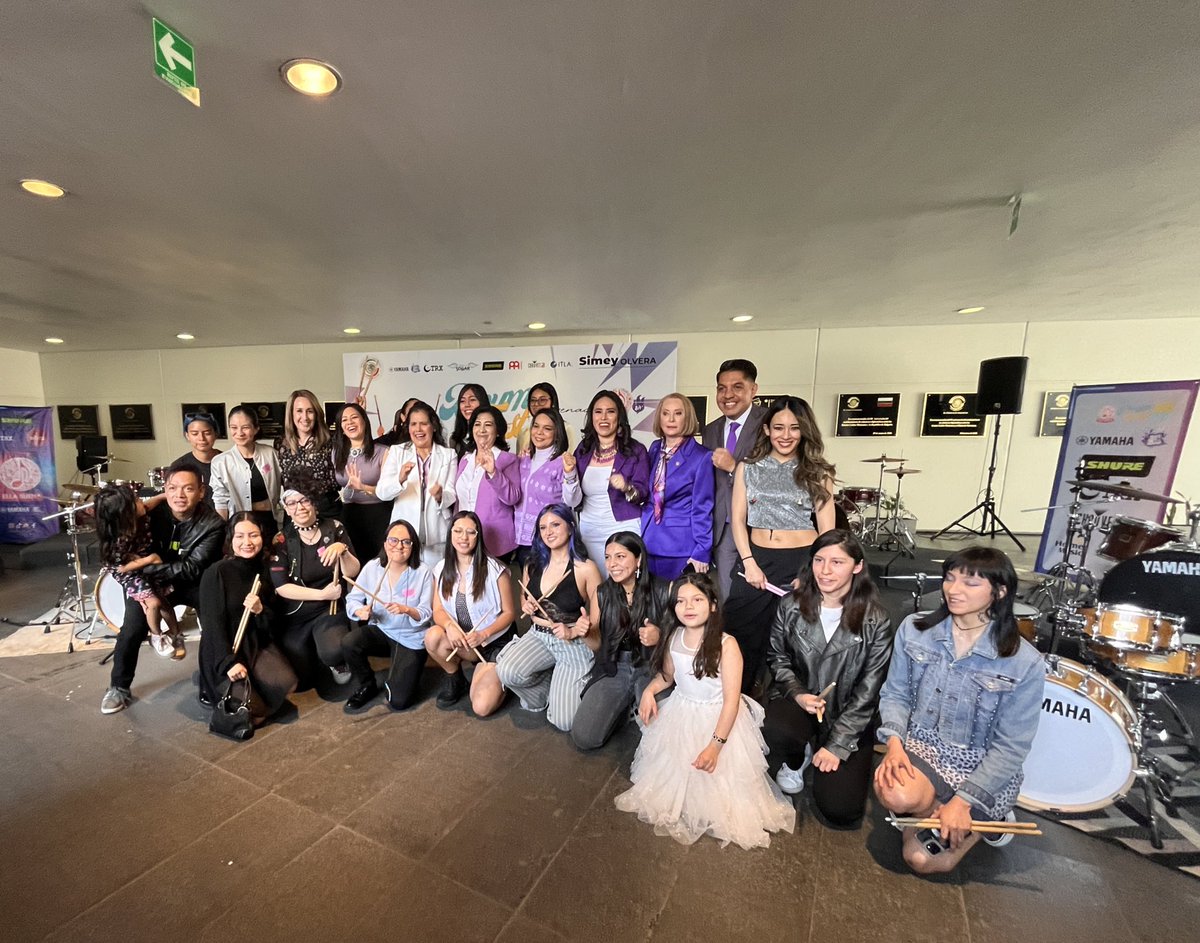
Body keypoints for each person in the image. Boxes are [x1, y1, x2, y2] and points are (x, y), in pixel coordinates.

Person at [873, 547, 1046, 875]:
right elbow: (895, 694)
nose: (953, 590)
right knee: (894, 793)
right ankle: (931, 812)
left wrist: (962, 801)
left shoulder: (1024, 662)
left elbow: (1011, 748)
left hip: (978, 767)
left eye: (970, 584)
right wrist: (894, 744)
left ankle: (979, 819)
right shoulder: (915, 629)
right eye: (950, 579)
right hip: (924, 749)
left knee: (923, 861)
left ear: (999, 591)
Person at [613, 572, 796, 849]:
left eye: (697, 599)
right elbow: (667, 676)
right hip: (682, 710)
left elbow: (732, 701)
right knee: (672, 777)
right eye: (681, 601)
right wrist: (650, 691)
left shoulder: (726, 645)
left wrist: (715, 745)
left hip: (717, 717)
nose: (688, 607)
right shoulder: (674, 637)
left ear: (712, 605)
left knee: (720, 794)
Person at [763, 529, 894, 829]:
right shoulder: (791, 605)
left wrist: (839, 744)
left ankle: (824, 746)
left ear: (857, 566)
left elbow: (869, 690)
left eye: (837, 562)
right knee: (776, 728)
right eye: (819, 560)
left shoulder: (876, 619)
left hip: (846, 716)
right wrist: (797, 693)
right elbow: (777, 658)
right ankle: (798, 757)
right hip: (800, 704)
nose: (825, 570)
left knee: (841, 811)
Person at [725, 395, 836, 694]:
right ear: (766, 430)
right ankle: (738, 702)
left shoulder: (818, 472)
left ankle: (789, 709)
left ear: (804, 431)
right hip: (756, 559)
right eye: (778, 427)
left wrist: (812, 574)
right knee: (738, 633)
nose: (786, 435)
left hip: (801, 561)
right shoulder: (748, 467)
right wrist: (749, 563)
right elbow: (737, 520)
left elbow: (828, 534)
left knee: (796, 641)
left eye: (794, 428)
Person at [100, 465, 225, 715]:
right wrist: (138, 572)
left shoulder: (212, 524)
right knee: (132, 627)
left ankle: (214, 679)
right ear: (164, 490)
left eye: (188, 489)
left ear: (201, 492)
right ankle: (119, 687)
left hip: (191, 581)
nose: (179, 495)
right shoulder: (149, 514)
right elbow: (117, 539)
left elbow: (191, 568)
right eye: (172, 488)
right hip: (149, 581)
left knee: (215, 623)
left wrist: (144, 568)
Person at [472, 504, 602, 730]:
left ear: (570, 527)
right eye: (543, 528)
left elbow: (598, 622)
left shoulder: (586, 568)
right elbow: (524, 597)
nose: (548, 532)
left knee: (564, 722)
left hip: (571, 643)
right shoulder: (533, 563)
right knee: (507, 671)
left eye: (555, 525)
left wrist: (577, 629)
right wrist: (527, 605)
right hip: (538, 635)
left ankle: (569, 683)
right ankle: (547, 689)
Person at [572, 531, 671, 751]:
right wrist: (587, 633)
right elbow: (598, 645)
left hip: (651, 667)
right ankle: (626, 706)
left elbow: (684, 643)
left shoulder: (664, 589)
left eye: (620, 556)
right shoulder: (602, 593)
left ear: (638, 560)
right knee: (585, 737)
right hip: (615, 666)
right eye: (607, 557)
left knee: (664, 739)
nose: (612, 564)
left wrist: (660, 637)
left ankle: (635, 701)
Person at [197, 513, 298, 724]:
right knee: (255, 713)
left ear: (262, 536)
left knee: (287, 683)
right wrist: (228, 663)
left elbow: (273, 622)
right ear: (230, 539)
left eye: (253, 535)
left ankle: (253, 685)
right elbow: (212, 626)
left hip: (253, 643)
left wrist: (261, 610)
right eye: (239, 536)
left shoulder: (264, 569)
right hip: (224, 650)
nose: (247, 543)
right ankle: (210, 683)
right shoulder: (216, 572)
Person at [269, 486, 361, 691]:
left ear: (314, 503)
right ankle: (312, 655)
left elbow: (353, 572)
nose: (300, 507)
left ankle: (336, 662)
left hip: (329, 607)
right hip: (297, 610)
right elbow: (282, 586)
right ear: (286, 508)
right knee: (301, 679)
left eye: (305, 500)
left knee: (333, 652)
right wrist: (321, 594)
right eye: (292, 503)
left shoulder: (334, 528)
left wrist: (343, 550)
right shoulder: (281, 540)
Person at [424, 511, 518, 709]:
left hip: (493, 642)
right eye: (457, 531)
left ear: (478, 536)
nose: (463, 537)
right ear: (450, 534)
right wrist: (449, 626)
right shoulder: (441, 569)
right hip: (467, 642)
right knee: (433, 637)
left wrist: (484, 633)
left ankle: (504, 674)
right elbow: (438, 609)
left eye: (470, 532)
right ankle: (455, 679)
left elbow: (510, 613)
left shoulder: (495, 570)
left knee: (481, 707)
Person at [341, 519, 435, 713]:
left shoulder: (423, 572)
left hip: (411, 637)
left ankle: (405, 674)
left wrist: (407, 609)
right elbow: (353, 599)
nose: (399, 546)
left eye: (406, 542)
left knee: (398, 702)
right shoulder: (373, 567)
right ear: (385, 543)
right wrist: (360, 611)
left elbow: (427, 613)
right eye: (393, 540)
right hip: (382, 630)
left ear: (413, 546)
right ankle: (366, 684)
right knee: (349, 642)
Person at [701, 359, 767, 602]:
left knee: (764, 595)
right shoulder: (710, 430)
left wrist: (734, 467)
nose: (728, 395)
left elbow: (778, 477)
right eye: (721, 388)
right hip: (722, 528)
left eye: (737, 387)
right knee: (728, 597)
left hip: (760, 525)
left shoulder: (770, 425)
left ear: (753, 389)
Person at [93, 484, 180, 658]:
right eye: (137, 500)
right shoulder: (118, 539)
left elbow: (151, 503)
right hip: (129, 573)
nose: (142, 501)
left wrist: (166, 496)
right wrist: (149, 559)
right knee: (153, 603)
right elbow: (122, 567)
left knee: (165, 602)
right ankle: (156, 637)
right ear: (125, 514)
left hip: (140, 564)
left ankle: (176, 634)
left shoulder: (141, 513)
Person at [573, 390, 650, 576]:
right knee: (595, 584)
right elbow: (572, 492)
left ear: (619, 417)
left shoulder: (635, 450)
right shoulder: (583, 450)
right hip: (589, 529)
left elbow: (643, 492)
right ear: (591, 417)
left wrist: (626, 487)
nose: (604, 417)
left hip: (623, 527)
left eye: (610, 411)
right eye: (598, 411)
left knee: (625, 582)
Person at [640, 393, 715, 580]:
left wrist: (702, 550)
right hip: (649, 538)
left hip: (680, 545)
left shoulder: (701, 456)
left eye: (678, 413)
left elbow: (703, 507)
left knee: (676, 604)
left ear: (687, 417)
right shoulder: (654, 448)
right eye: (665, 413)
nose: (671, 419)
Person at [375, 400, 457, 567]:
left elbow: (452, 494)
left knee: (434, 586)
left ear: (433, 426)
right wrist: (400, 479)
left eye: (423, 424)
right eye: (413, 424)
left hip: (436, 536)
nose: (418, 429)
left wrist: (441, 496)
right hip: (403, 537)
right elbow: (381, 492)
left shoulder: (449, 455)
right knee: (404, 587)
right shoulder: (398, 452)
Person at [454, 404, 521, 560]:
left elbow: (513, 498)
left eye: (488, 425)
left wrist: (493, 472)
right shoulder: (465, 460)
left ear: (498, 431)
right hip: (464, 540)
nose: (482, 430)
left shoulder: (507, 459)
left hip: (494, 541)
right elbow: (459, 501)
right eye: (477, 424)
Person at [209, 403, 282, 543]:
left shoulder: (271, 454)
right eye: (234, 428)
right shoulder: (220, 462)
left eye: (245, 427)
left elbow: (285, 487)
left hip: (269, 522)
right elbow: (220, 501)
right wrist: (222, 534)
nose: (239, 433)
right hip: (239, 526)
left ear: (256, 428)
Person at [514, 408, 581, 561]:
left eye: (547, 429)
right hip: (521, 542)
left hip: (550, 541)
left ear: (557, 433)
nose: (539, 432)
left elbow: (573, 501)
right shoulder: (522, 460)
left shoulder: (562, 462)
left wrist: (570, 473)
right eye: (536, 426)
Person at [332, 402, 393, 560]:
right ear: (341, 429)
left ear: (364, 422)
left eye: (354, 418)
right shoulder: (336, 453)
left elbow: (389, 490)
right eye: (344, 420)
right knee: (351, 563)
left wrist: (363, 487)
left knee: (378, 564)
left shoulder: (383, 451)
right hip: (349, 515)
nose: (349, 422)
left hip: (378, 515)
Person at [276, 389, 339, 521]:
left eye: (309, 411)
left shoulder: (331, 441)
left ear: (316, 414)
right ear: (291, 414)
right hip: (296, 514)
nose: (304, 417)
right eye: (299, 411)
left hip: (327, 512)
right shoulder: (280, 443)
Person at [513, 382, 579, 453]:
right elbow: (519, 460)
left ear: (553, 402)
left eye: (542, 400)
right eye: (533, 400)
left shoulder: (566, 428)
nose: (536, 404)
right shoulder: (524, 431)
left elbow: (570, 458)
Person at [173, 411, 222, 506]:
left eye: (207, 433)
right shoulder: (179, 466)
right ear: (187, 436)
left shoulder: (229, 461)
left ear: (216, 434)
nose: (201, 438)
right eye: (195, 434)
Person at [449, 383, 489, 459]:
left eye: (472, 400)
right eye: (462, 401)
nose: (467, 405)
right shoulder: (454, 439)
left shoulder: (491, 434)